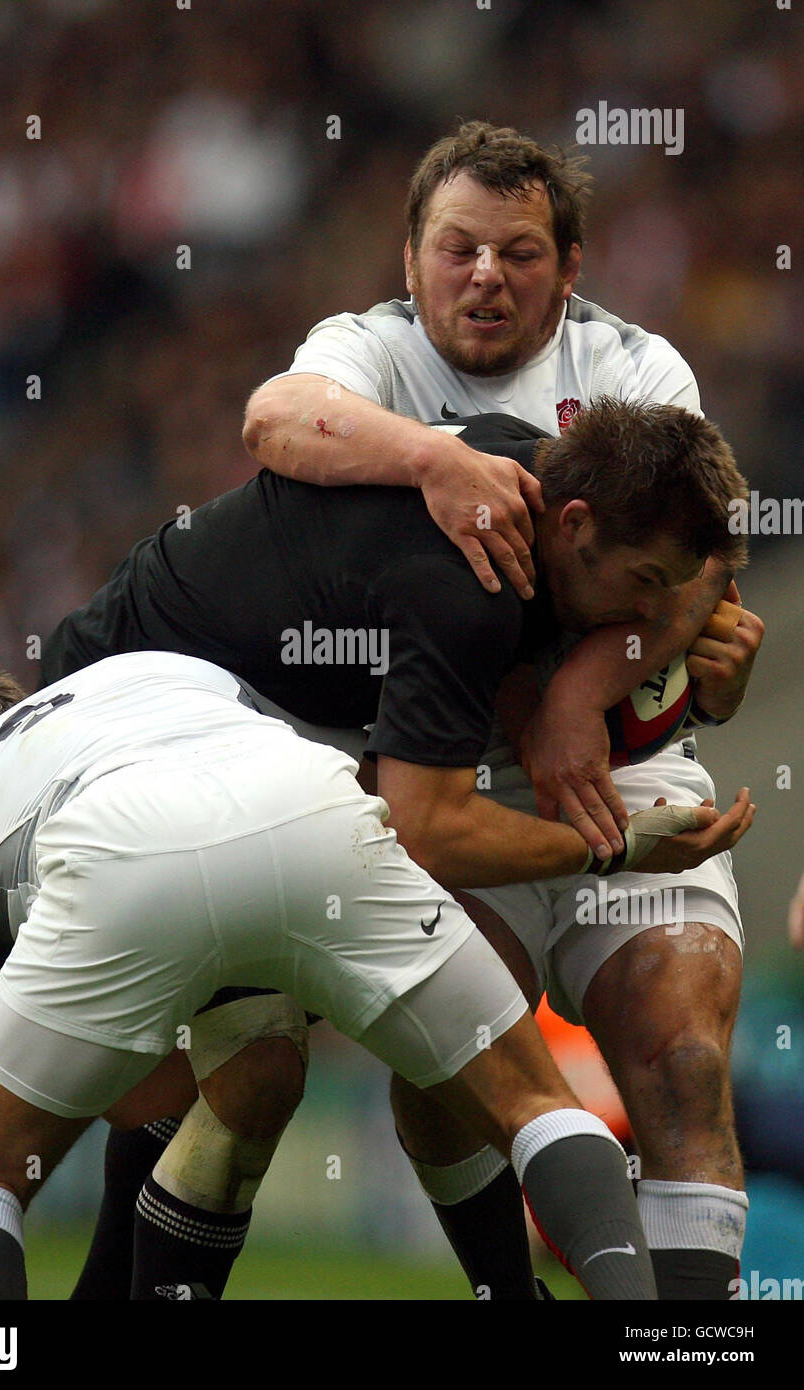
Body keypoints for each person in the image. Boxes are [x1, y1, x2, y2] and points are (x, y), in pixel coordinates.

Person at [36, 398, 754, 1301]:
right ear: (575, 526)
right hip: (114, 742)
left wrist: (570, 697)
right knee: (251, 1068)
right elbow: (426, 829)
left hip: (178, 722)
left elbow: (703, 568)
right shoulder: (471, 580)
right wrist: (610, 852)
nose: (650, 615)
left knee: (247, 1070)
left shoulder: (518, 467)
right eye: (643, 581)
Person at [239, 121, 766, 1300]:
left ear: (569, 266)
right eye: (457, 248)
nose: (485, 275)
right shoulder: (362, 351)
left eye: (519, 253)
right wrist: (434, 459)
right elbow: (273, 421)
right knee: (446, 1078)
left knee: (681, 1057)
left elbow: (696, 572)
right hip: (446, 780)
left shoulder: (636, 370)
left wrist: (578, 689)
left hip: (627, 772)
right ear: (412, 256)